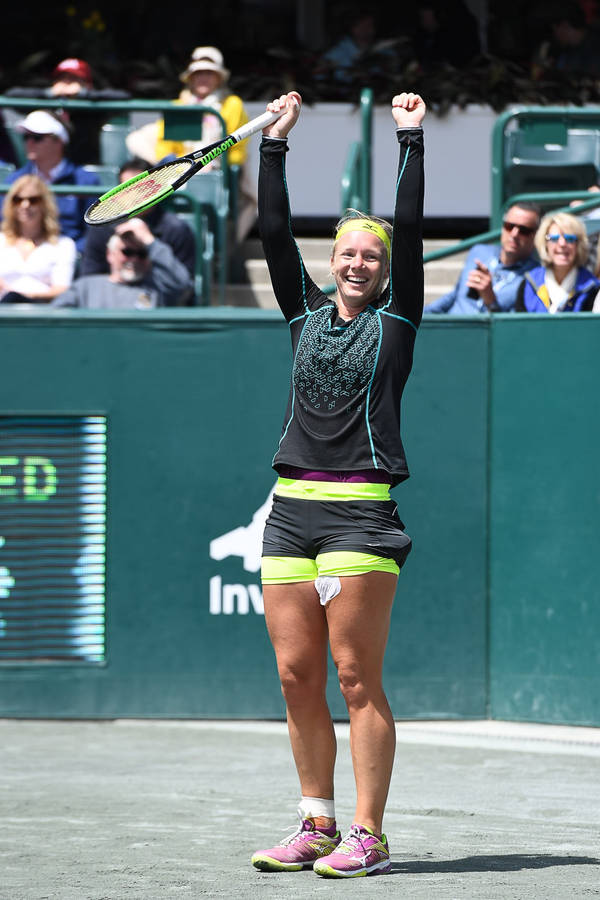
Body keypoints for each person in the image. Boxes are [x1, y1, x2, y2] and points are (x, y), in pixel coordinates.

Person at [250, 90, 425, 878]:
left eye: (372, 257)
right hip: (290, 514)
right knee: (297, 677)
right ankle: (316, 822)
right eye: (348, 254)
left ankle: (368, 834)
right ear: (333, 262)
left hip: (360, 515)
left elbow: (410, 230)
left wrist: (411, 139)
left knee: (356, 678)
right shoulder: (303, 316)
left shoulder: (397, 322)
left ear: (385, 271)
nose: (359, 264)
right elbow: (272, 231)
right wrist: (274, 144)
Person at [126, 46, 256, 243]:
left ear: (219, 78)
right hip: (180, 167)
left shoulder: (232, 104)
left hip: (214, 170)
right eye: (198, 73)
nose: (203, 78)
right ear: (190, 78)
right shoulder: (179, 105)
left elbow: (238, 148)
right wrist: (177, 163)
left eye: (209, 73)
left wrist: (215, 162)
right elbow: (165, 145)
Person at [79, 156, 197, 299]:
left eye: (141, 188)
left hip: (161, 303)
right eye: (127, 189)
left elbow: (185, 287)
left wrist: (150, 242)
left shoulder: (176, 229)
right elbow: (89, 279)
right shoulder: (101, 229)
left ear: (156, 190)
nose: (134, 196)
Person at [4, 58, 131, 166]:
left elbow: (123, 96)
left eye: (73, 79)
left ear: (87, 84)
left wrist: (83, 94)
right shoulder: (47, 103)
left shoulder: (93, 107)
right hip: (46, 168)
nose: (66, 84)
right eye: (62, 79)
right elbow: (12, 94)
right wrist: (49, 93)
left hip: (84, 169)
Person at [4, 110, 100, 252]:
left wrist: (69, 252)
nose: (29, 142)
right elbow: (5, 224)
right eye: (26, 137)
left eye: (37, 138)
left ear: (59, 141)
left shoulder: (86, 181)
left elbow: (93, 232)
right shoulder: (14, 181)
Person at [425, 202, 542, 314]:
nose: (514, 234)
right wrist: (423, 316)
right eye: (509, 226)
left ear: (536, 235)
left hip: (485, 327)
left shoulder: (536, 277)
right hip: (452, 324)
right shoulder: (479, 252)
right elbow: (456, 294)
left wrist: (491, 302)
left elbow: (515, 324)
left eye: (524, 231)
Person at [52, 217, 193, 309]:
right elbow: (54, 317)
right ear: (110, 254)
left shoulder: (158, 289)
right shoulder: (86, 287)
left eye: (142, 254)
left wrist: (149, 241)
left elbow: (182, 283)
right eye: (127, 252)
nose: (134, 259)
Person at [0, 174, 77, 303]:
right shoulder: (1, 240)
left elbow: (61, 289)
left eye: (33, 200)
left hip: (43, 310)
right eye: (18, 199)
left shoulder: (63, 245)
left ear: (45, 205)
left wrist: (26, 296)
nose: (25, 205)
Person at [515, 211, 599, 312]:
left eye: (570, 239)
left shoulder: (592, 288)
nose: (562, 244)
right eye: (554, 238)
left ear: (578, 245)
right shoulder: (528, 284)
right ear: (545, 244)